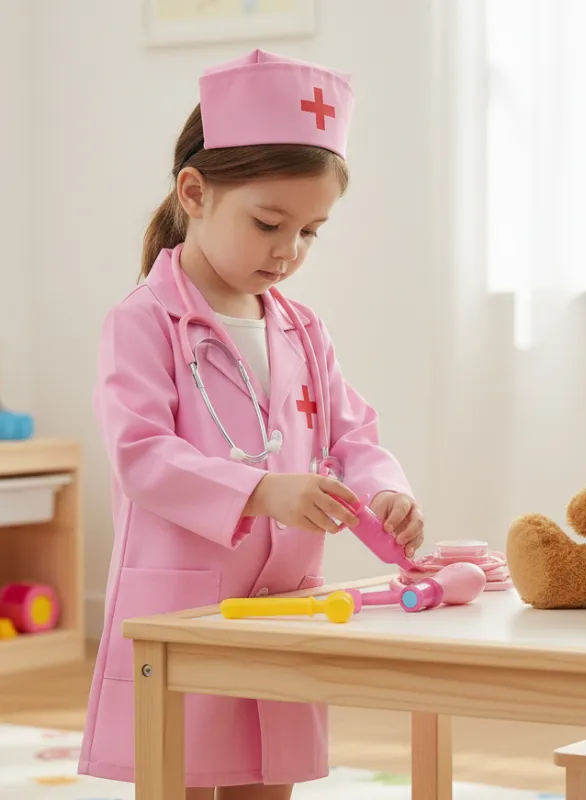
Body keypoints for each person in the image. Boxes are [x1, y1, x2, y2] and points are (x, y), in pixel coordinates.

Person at [78, 49, 424, 800]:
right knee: (179, 764)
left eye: (311, 232)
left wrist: (384, 490)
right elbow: (141, 454)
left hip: (284, 597)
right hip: (184, 604)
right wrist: (263, 493)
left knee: (271, 770)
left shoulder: (302, 329)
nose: (288, 251)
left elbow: (352, 435)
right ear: (194, 193)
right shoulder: (143, 321)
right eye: (269, 223)